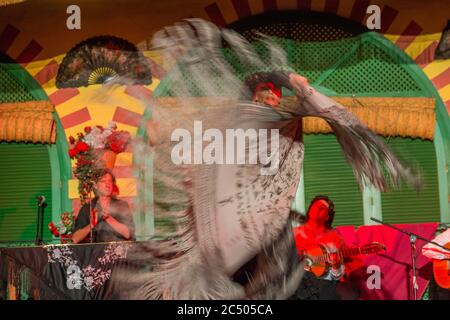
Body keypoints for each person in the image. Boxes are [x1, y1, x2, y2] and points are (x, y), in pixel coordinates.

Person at [290, 195, 345, 300]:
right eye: (314, 206)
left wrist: (336, 265)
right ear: (310, 210)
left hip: (323, 286)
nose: (316, 208)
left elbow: (337, 275)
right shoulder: (294, 234)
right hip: (299, 284)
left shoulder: (334, 238)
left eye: (322, 208)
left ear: (327, 216)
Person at [72, 169, 135, 243]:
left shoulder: (121, 206)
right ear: (95, 185)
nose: (108, 185)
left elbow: (128, 234)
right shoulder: (87, 208)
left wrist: (108, 218)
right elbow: (75, 239)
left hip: (118, 251)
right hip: (95, 253)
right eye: (103, 181)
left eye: (110, 181)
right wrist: (91, 225)